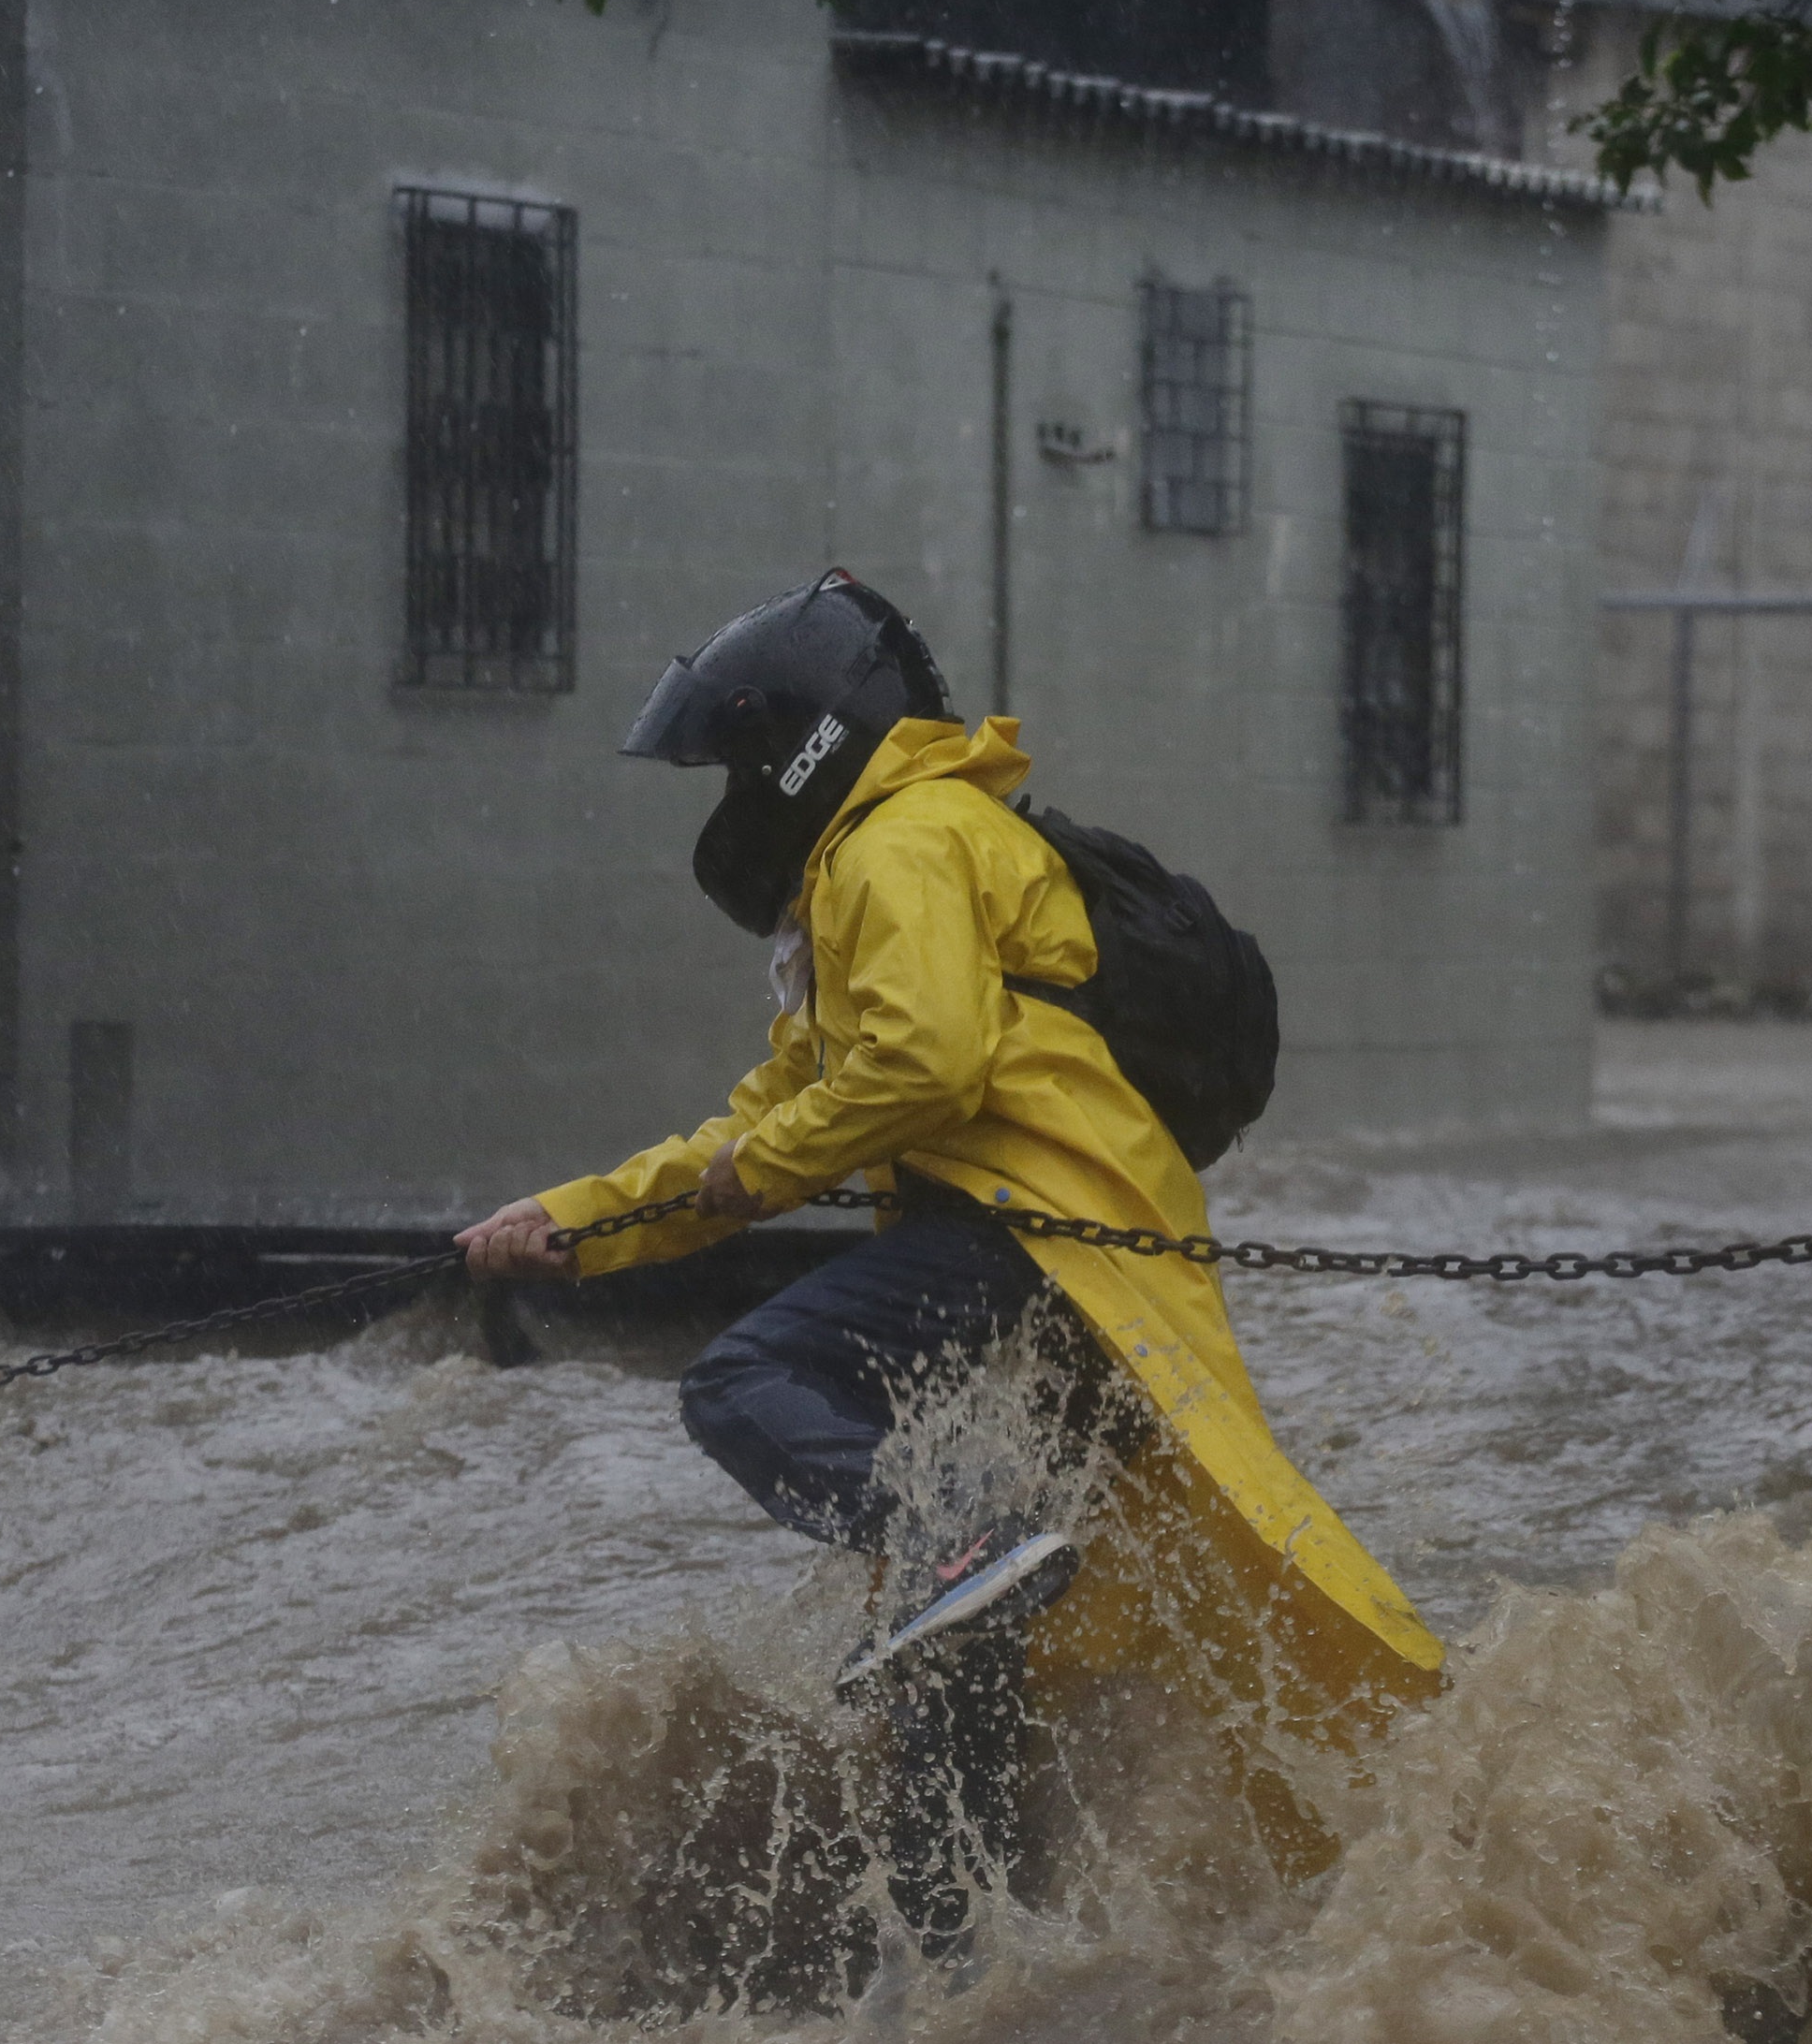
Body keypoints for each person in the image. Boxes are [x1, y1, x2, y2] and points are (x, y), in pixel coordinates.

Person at [457, 571, 1441, 1962]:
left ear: (797, 744)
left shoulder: (902, 839)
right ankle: (959, 1947)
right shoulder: (883, 858)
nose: (727, 805)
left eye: (734, 766)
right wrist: (578, 1218)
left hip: (1032, 1232)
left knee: (751, 1378)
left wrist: (760, 1172)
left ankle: (950, 1540)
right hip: (1050, 1246)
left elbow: (926, 1059)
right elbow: (772, 1110)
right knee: (989, 1634)